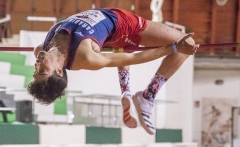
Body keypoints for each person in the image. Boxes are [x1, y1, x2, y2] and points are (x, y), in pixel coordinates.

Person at [27, 8, 199, 135]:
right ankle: (148, 95)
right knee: (187, 43)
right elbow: (133, 59)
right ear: (58, 71)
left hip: (106, 33)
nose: (37, 64)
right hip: (124, 26)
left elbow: (122, 56)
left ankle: (126, 91)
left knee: (117, 50)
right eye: (42, 71)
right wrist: (175, 47)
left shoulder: (41, 48)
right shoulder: (85, 58)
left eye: (35, 70)